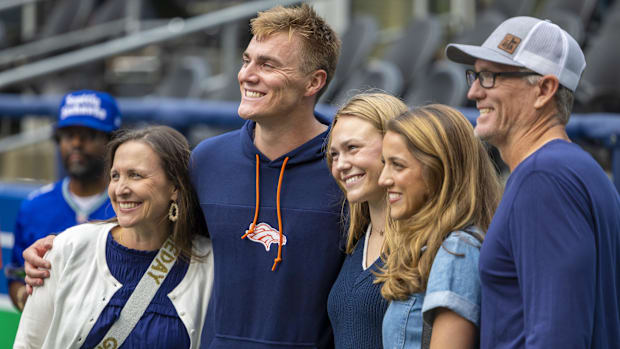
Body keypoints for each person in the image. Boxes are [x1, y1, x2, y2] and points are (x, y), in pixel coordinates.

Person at [23, 4, 343, 348]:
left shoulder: (345, 169)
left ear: (314, 82)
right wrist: (64, 246)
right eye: (246, 60)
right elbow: (162, 226)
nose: (247, 75)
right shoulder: (209, 159)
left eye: (267, 65)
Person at [446, 16, 620, 348]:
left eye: (489, 77)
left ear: (543, 90)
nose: (473, 91)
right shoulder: (572, 169)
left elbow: (558, 337)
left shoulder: (544, 178)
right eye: (474, 75)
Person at [13, 125, 214, 348]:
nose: (120, 189)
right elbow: (28, 343)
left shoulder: (209, 265)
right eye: (115, 176)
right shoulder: (68, 248)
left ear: (175, 187)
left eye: (136, 175)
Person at [377, 104, 502, 348]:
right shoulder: (434, 245)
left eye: (398, 165)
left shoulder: (456, 250)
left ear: (440, 171)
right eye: (384, 163)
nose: (383, 179)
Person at [6, 90, 121, 311]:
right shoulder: (34, 206)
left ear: (111, 141)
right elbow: (16, 278)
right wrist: (31, 302)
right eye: (68, 135)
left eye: (88, 135)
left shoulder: (129, 204)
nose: (76, 143)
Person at [325, 92, 408, 348]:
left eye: (352, 148)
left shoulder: (427, 242)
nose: (341, 165)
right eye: (334, 155)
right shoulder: (356, 239)